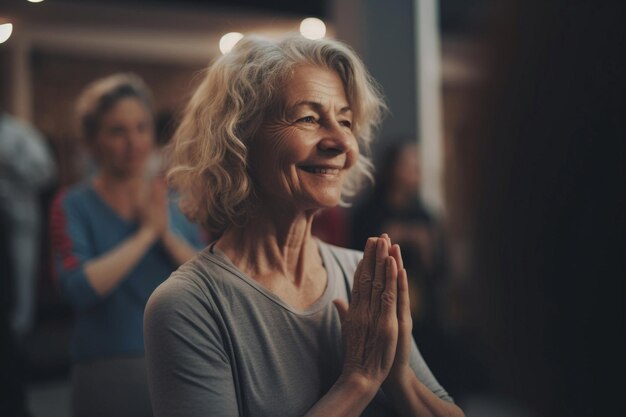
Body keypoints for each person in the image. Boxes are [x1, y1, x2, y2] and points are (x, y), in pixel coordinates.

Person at [144, 35, 465, 417]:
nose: (340, 141)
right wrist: (358, 383)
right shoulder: (190, 305)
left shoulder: (363, 274)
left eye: (345, 121)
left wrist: (397, 378)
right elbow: (363, 379)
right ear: (239, 138)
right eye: (309, 118)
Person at [49, 73, 203, 417]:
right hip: (105, 366)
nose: (133, 142)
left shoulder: (177, 201)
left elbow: (208, 276)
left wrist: (165, 235)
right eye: (117, 131)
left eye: (141, 127)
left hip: (179, 359)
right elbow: (78, 288)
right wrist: (146, 234)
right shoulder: (73, 204)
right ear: (92, 142)